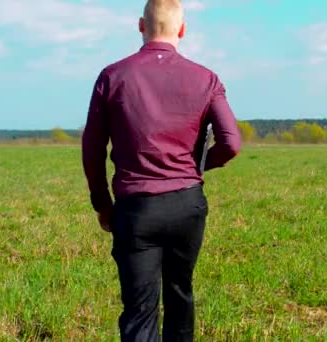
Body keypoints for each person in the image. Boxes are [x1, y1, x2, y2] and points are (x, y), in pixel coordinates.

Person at [81, 0, 241, 340]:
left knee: (140, 310)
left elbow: (92, 148)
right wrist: (196, 167)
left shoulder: (112, 76)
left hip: (135, 209)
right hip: (187, 205)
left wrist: (102, 203)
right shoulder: (206, 79)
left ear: (141, 25)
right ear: (182, 29)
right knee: (180, 295)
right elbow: (231, 143)